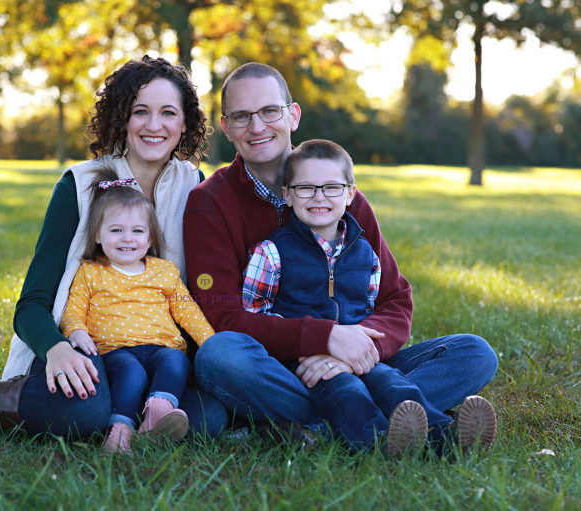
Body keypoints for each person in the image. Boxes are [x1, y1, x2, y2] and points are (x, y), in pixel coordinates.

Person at [0, 56, 232, 440]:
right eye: (140, 111)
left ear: (184, 123)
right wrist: (56, 348)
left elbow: (195, 295)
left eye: (168, 112)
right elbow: (32, 304)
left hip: (157, 354)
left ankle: (132, 414)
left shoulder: (193, 186)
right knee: (85, 408)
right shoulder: (80, 186)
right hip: (86, 345)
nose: (154, 125)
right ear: (122, 118)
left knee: (209, 417)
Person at [185, 62, 498, 451]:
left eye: (269, 111)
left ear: (293, 115)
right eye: (241, 116)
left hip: (359, 363)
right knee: (220, 355)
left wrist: (352, 355)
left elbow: (395, 298)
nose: (257, 126)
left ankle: (321, 426)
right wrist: (325, 338)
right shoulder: (208, 204)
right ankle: (385, 420)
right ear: (226, 126)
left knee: (474, 353)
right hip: (277, 368)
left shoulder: (342, 197)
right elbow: (223, 318)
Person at [242, 139, 468, 456]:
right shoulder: (271, 253)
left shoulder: (365, 253)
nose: (319, 197)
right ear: (287, 195)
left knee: (393, 383)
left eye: (332, 188)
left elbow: (375, 308)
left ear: (350, 194)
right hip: (303, 364)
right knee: (347, 390)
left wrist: (350, 352)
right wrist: (314, 345)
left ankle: (443, 434)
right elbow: (254, 315)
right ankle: (381, 444)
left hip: (357, 356)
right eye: (305, 188)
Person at [59, 169, 216, 453]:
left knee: (176, 362)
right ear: (97, 235)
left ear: (150, 237)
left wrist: (209, 341)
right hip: (115, 350)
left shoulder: (164, 271)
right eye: (116, 230)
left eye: (138, 231)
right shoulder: (91, 271)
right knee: (131, 373)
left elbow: (187, 310)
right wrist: (76, 330)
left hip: (162, 346)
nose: (127, 239)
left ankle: (158, 411)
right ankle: (120, 432)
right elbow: (74, 308)